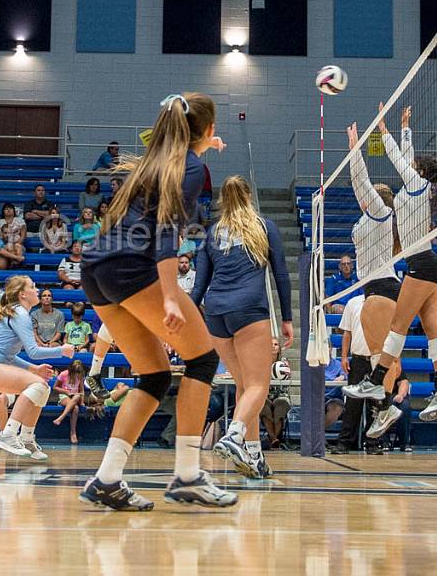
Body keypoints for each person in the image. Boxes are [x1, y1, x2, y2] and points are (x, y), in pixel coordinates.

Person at [79, 91, 234, 510]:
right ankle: (187, 475)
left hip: (96, 269)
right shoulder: (190, 166)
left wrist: (205, 146)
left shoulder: (154, 160)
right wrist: (169, 295)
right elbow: (166, 232)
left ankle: (107, 479)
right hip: (133, 267)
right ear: (207, 129)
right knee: (202, 360)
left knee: (154, 375)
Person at [344, 106, 437, 425]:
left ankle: (377, 379)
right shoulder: (417, 188)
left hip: (421, 265)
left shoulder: (415, 183)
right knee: (432, 330)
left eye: (412, 166)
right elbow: (407, 156)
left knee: (398, 326)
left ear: (418, 172)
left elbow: (400, 157)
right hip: (428, 265)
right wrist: (404, 127)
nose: (407, 166)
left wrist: (384, 131)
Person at [191, 175, 293, 479]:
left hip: (216, 314)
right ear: (249, 196)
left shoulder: (212, 233)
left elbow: (198, 286)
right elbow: (282, 276)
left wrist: (191, 317)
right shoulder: (264, 227)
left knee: (245, 387)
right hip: (248, 310)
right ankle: (234, 436)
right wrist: (287, 318)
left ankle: (254, 457)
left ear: (224, 200)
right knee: (259, 385)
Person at [337, 121, 405, 440]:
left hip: (383, 289)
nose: (362, 199)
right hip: (376, 289)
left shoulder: (379, 213)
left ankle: (387, 407)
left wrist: (355, 148)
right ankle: (384, 408)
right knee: (380, 357)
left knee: (382, 357)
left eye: (367, 197)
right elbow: (360, 185)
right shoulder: (370, 218)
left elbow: (360, 181)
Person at [0, 275, 73, 461]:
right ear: (22, 294)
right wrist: (62, 350)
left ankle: (27, 438)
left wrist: (33, 369)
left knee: (43, 387)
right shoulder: (19, 314)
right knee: (38, 385)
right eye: (33, 286)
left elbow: (9, 356)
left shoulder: (17, 312)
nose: (37, 290)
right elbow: (33, 351)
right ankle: (8, 434)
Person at [331, 295, 380, 454]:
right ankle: (344, 442)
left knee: (376, 403)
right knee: (353, 404)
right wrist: (344, 357)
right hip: (358, 360)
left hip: (378, 359)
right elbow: (347, 333)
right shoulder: (353, 303)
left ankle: (372, 442)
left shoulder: (384, 301)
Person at [261, 338, 292, 451]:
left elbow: (288, 378)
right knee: (263, 405)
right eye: (271, 344)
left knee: (280, 405)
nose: (273, 346)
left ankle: (273, 439)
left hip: (281, 394)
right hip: (265, 395)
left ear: (279, 347)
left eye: (276, 344)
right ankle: (274, 439)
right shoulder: (261, 361)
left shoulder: (284, 362)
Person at [52, 359, 86, 444]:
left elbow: (81, 390)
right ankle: (73, 432)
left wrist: (82, 401)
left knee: (77, 395)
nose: (76, 374)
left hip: (76, 396)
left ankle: (61, 418)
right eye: (75, 372)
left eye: (78, 372)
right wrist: (66, 392)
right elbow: (55, 387)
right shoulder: (64, 374)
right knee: (75, 409)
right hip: (65, 396)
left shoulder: (81, 376)